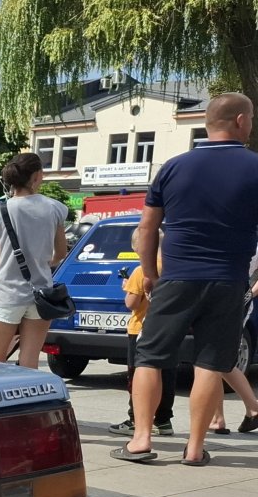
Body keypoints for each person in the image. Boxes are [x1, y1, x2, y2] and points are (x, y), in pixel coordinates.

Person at [116, 92, 258, 466]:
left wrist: (149, 273)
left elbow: (147, 227)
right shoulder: (255, 166)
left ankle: (141, 440)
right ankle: (195, 449)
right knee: (211, 362)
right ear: (241, 121)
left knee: (149, 357)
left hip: (176, 276)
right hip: (228, 280)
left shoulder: (174, 167)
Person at [0, 152, 68, 368]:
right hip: (41, 295)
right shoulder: (54, 208)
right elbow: (60, 253)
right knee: (30, 363)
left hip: (7, 293)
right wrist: (42, 263)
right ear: (37, 176)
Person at [109, 227, 176, 437]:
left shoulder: (141, 270)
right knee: (167, 375)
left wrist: (127, 288)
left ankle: (134, 419)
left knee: (137, 375)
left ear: (138, 248)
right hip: (169, 329)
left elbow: (132, 303)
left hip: (141, 330)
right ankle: (164, 420)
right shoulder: (172, 267)